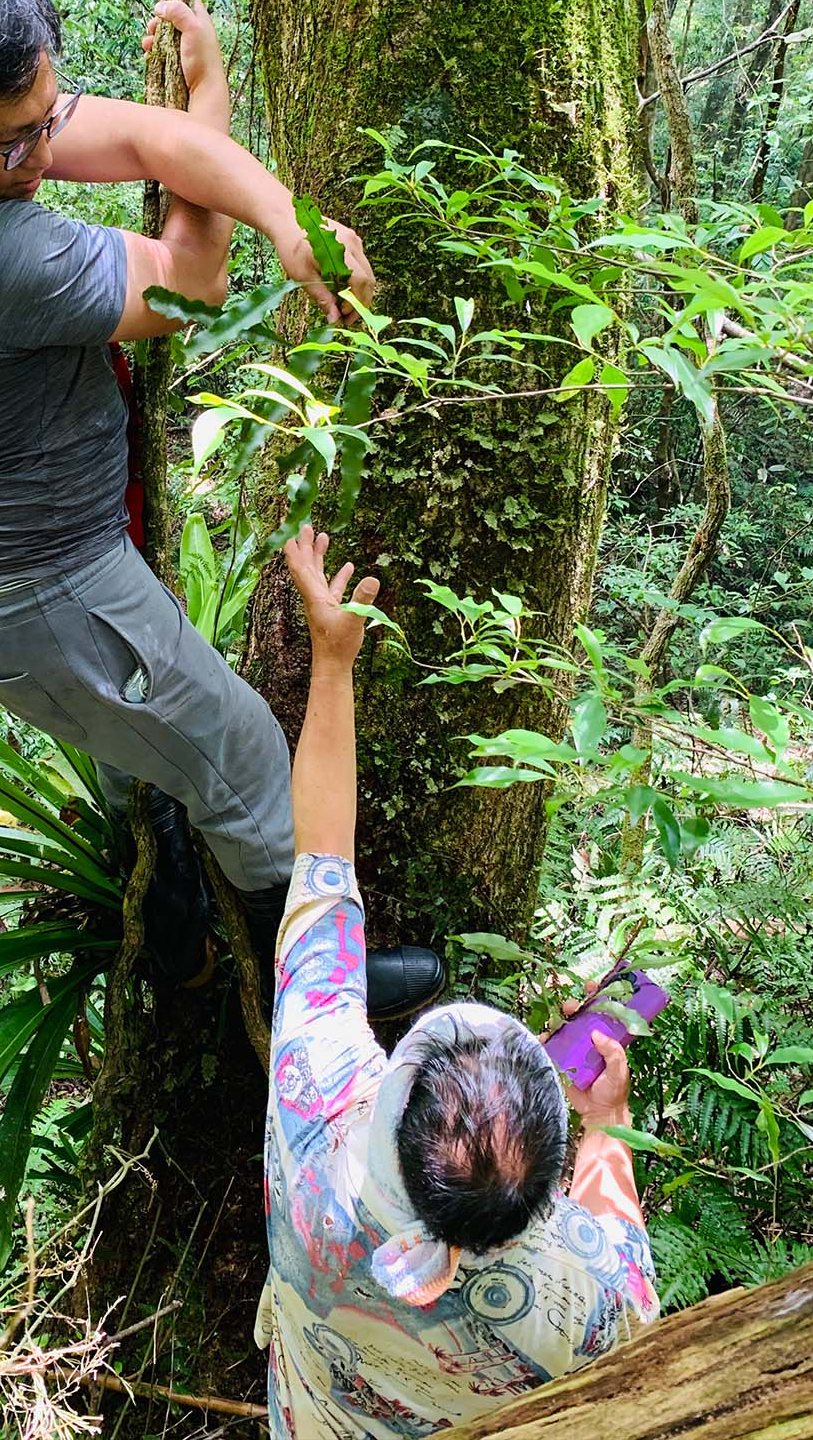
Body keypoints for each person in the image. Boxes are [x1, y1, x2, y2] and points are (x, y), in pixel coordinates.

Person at [0, 0, 440, 1014]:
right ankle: (305, 983)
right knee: (243, 749)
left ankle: (174, 926)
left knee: (139, 750)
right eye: (15, 145)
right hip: (47, 589)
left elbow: (138, 140)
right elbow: (193, 280)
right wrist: (217, 114)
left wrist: (267, 197)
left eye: (44, 126)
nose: (38, 157)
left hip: (11, 564)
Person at [257, 526, 658, 1434]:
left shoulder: (312, 1107)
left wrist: (331, 662)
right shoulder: (599, 1300)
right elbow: (607, 1190)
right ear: (543, 1178)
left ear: (396, 1091)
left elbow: (322, 856)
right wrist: (609, 1120)